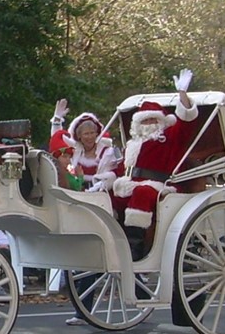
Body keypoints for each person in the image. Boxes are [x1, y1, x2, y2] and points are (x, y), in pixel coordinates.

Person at [112, 69, 199, 259]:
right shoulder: (133, 144)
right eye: (145, 120)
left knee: (142, 193)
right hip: (129, 183)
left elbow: (186, 123)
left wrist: (182, 94)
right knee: (106, 196)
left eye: (153, 119)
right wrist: (105, 180)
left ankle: (136, 248)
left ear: (161, 121)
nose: (149, 123)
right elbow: (121, 169)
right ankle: (108, 238)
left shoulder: (167, 138)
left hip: (159, 186)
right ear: (138, 124)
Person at [50, 100, 117, 191]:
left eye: (92, 133)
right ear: (79, 136)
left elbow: (111, 177)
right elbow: (57, 137)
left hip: (99, 196)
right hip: (75, 194)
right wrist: (57, 119)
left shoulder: (107, 152)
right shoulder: (75, 149)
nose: (90, 137)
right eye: (86, 134)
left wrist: (96, 188)